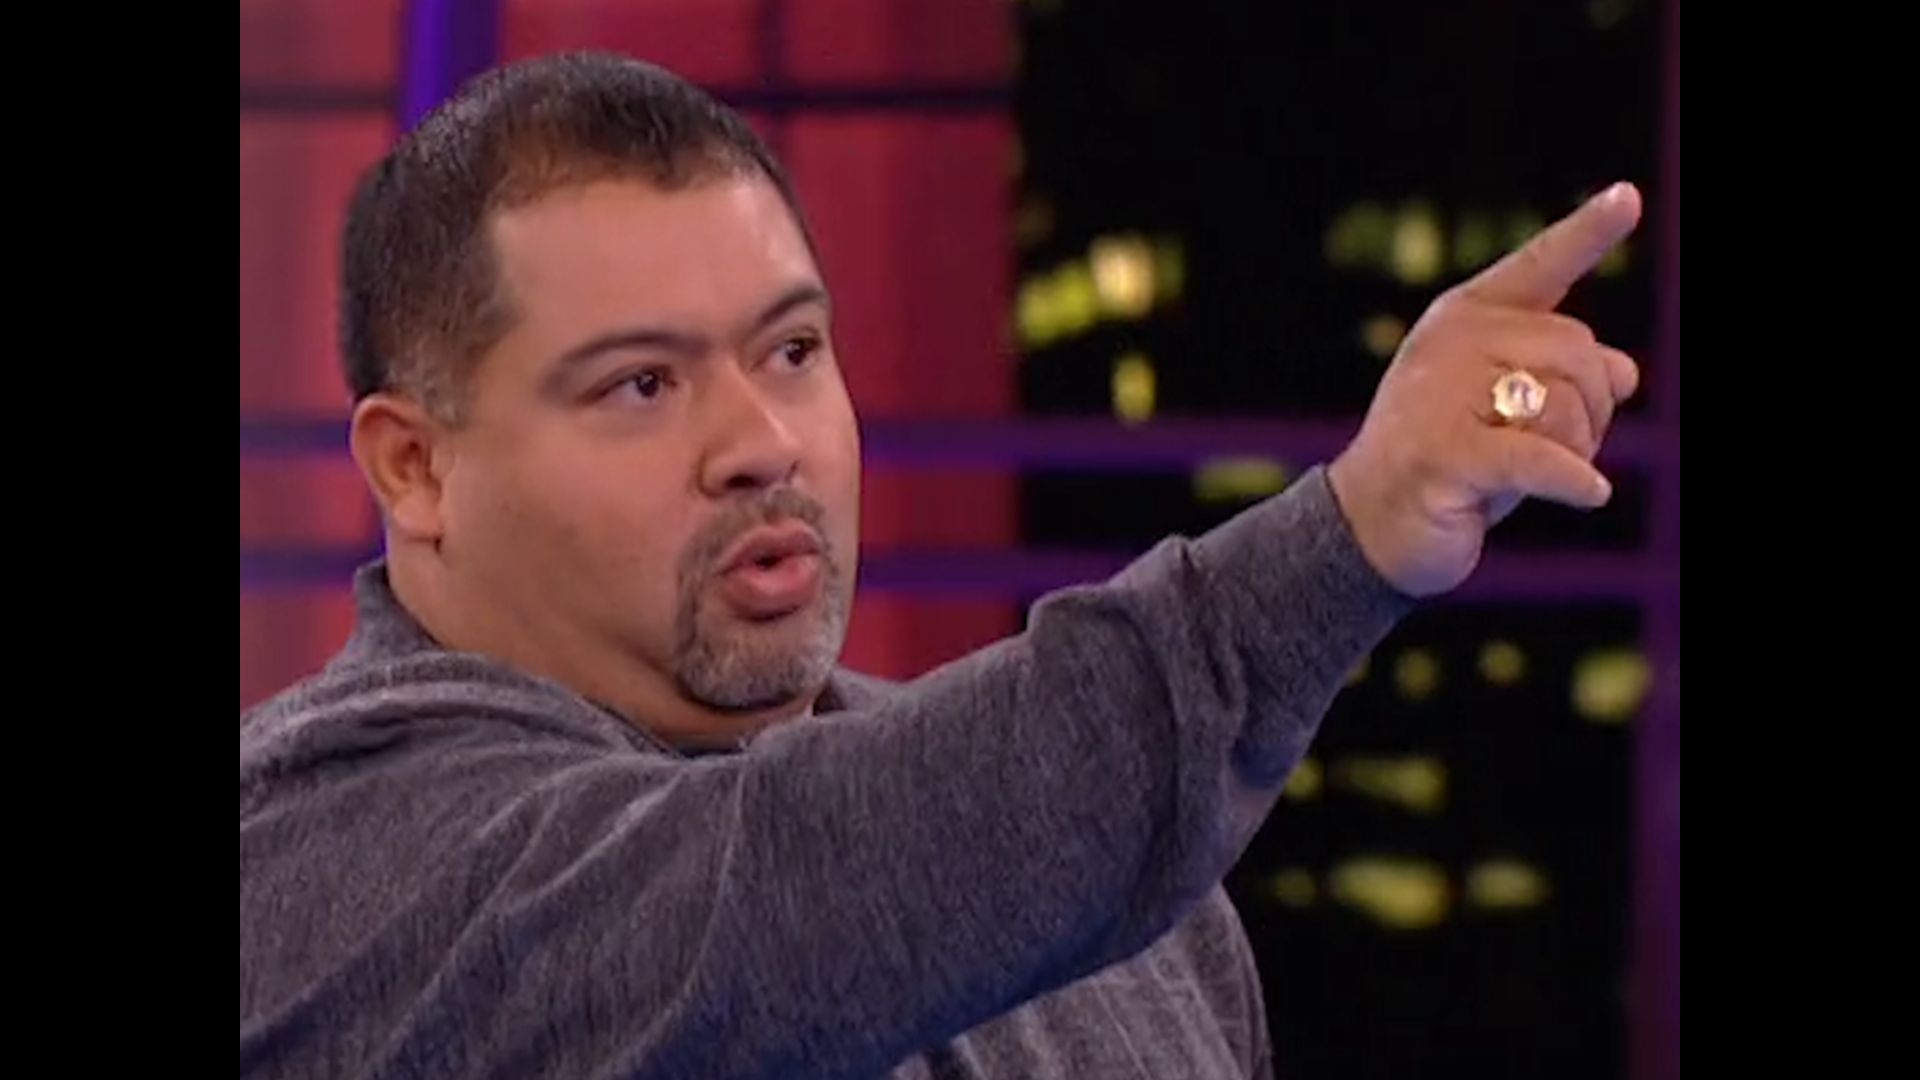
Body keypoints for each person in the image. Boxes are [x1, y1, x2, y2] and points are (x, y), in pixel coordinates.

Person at [239, 52, 1641, 1080]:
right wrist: (1349, 536)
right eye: (641, 385)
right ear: (414, 468)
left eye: (794, 351)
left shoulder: (1132, 904)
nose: (762, 443)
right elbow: (799, 899)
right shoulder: (316, 863)